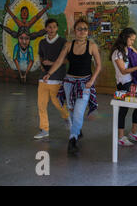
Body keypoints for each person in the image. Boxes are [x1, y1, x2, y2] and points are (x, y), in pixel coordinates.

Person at [43, 18, 102, 155]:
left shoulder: (92, 46)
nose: (82, 31)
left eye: (85, 29)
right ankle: (77, 130)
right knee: (71, 109)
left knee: (78, 112)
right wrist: (49, 73)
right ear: (74, 31)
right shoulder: (68, 45)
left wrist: (92, 80)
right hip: (69, 83)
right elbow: (59, 61)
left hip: (84, 84)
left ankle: (73, 139)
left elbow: (98, 65)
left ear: (88, 32)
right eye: (79, 29)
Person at [110, 27, 137, 146]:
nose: (132, 42)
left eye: (134, 40)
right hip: (124, 83)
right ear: (125, 38)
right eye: (131, 40)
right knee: (123, 109)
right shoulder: (117, 53)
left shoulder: (129, 48)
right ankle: (120, 136)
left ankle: (133, 131)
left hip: (133, 81)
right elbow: (123, 71)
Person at [34, 18, 70, 140]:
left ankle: (66, 117)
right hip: (42, 78)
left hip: (57, 78)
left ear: (57, 28)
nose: (52, 29)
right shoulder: (42, 43)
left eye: (54, 27)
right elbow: (40, 56)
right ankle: (44, 129)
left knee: (58, 103)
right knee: (41, 105)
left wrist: (51, 62)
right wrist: (41, 65)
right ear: (46, 29)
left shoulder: (63, 42)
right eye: (49, 27)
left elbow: (66, 60)